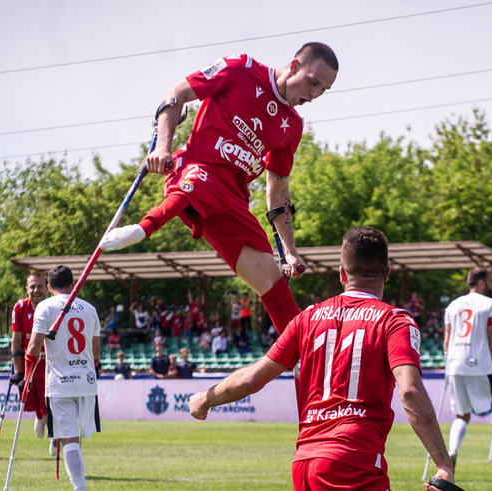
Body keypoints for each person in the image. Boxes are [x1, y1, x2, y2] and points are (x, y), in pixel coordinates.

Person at [189, 226, 454, 491]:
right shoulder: (394, 320)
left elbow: (253, 378)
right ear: (388, 272)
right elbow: (409, 389)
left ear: (341, 273)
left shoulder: (307, 317)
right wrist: (443, 464)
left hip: (305, 467)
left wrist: (205, 398)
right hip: (351, 463)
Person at [97, 43, 340, 336]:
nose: (314, 95)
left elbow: (278, 189)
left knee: (272, 280)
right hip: (195, 170)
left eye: (323, 90)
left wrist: (290, 251)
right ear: (294, 66)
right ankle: (144, 227)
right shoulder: (241, 68)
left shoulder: (292, 125)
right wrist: (163, 147)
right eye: (313, 82)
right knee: (202, 184)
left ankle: (304, 358)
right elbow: (175, 93)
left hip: (233, 200)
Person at [25, 265, 102, 491]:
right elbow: (96, 351)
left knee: (68, 440)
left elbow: (34, 348)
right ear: (73, 284)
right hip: (87, 381)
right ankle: (77, 488)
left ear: (49, 287)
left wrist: (26, 366)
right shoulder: (90, 308)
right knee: (77, 440)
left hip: (60, 383)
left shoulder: (44, 307)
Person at [442, 267, 492, 465]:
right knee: (491, 405)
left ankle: (452, 450)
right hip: (480, 365)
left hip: (455, 365)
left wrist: (447, 364)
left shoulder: (452, 306)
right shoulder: (490, 304)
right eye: (491, 280)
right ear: (482, 283)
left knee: (461, 414)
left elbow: (447, 339)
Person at [9, 271, 57, 456]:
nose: (36, 290)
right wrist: (18, 370)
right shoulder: (20, 307)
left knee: (50, 403)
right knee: (33, 402)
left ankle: (54, 436)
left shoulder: (55, 307)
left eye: (40, 286)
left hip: (50, 365)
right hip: (30, 364)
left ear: (48, 288)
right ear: (26, 289)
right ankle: (39, 417)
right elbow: (16, 338)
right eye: (32, 287)